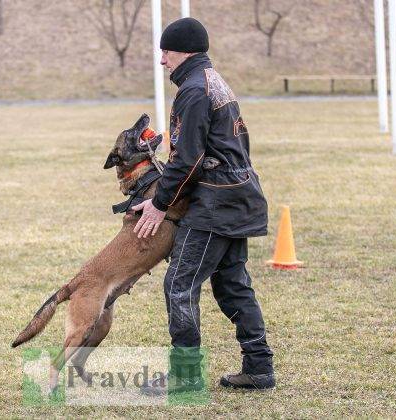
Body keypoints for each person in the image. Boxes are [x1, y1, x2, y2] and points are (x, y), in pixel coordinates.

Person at [135, 17, 275, 395]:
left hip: (216, 202)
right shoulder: (214, 81)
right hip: (240, 196)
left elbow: (189, 159)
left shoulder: (194, 90)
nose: (162, 60)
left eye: (165, 52)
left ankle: (184, 377)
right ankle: (259, 367)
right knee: (233, 285)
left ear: (184, 51)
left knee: (179, 284)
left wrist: (158, 204)